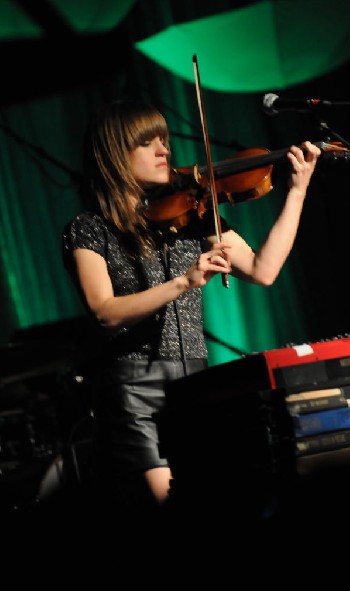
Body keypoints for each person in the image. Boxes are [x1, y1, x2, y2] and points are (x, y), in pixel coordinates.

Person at [62, 98, 321, 523]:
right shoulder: (88, 228)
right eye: (149, 143)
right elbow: (104, 311)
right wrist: (183, 281)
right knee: (177, 516)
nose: (165, 151)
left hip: (198, 383)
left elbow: (263, 269)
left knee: (219, 508)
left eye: (164, 140)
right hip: (136, 391)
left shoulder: (191, 213)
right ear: (114, 152)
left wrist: (296, 192)